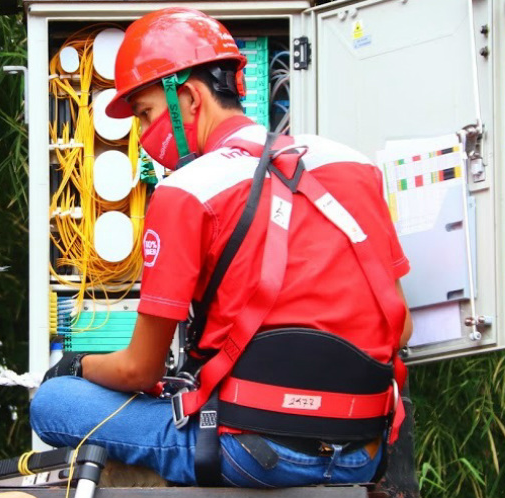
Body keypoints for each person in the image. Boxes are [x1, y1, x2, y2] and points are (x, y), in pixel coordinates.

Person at [31, 7, 414, 488]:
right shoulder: (353, 166)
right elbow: (401, 328)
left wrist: (76, 364)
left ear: (188, 97)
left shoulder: (187, 191)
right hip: (364, 450)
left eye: (147, 114)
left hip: (249, 452)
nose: (146, 137)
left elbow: (138, 369)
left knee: (55, 403)